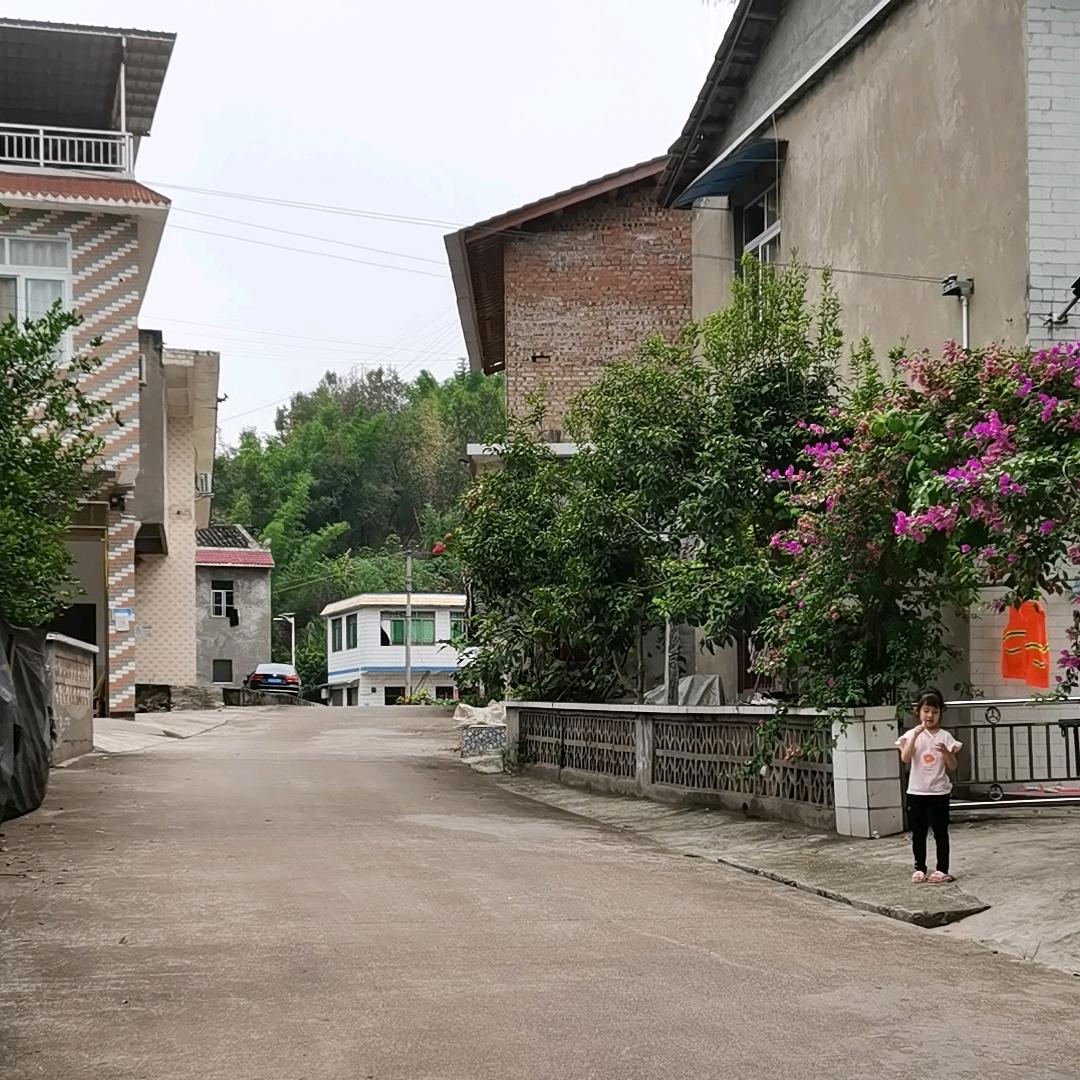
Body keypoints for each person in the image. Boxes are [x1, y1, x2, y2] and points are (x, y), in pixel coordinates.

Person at [895, 688, 962, 884]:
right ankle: (919, 868)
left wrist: (946, 752)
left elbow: (953, 766)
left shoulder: (945, 736)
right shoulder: (911, 735)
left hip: (939, 791)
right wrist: (915, 735)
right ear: (918, 711)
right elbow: (905, 758)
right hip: (916, 791)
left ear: (941, 712)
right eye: (926, 711)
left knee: (941, 832)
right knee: (919, 833)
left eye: (934, 711)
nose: (929, 715)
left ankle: (942, 869)